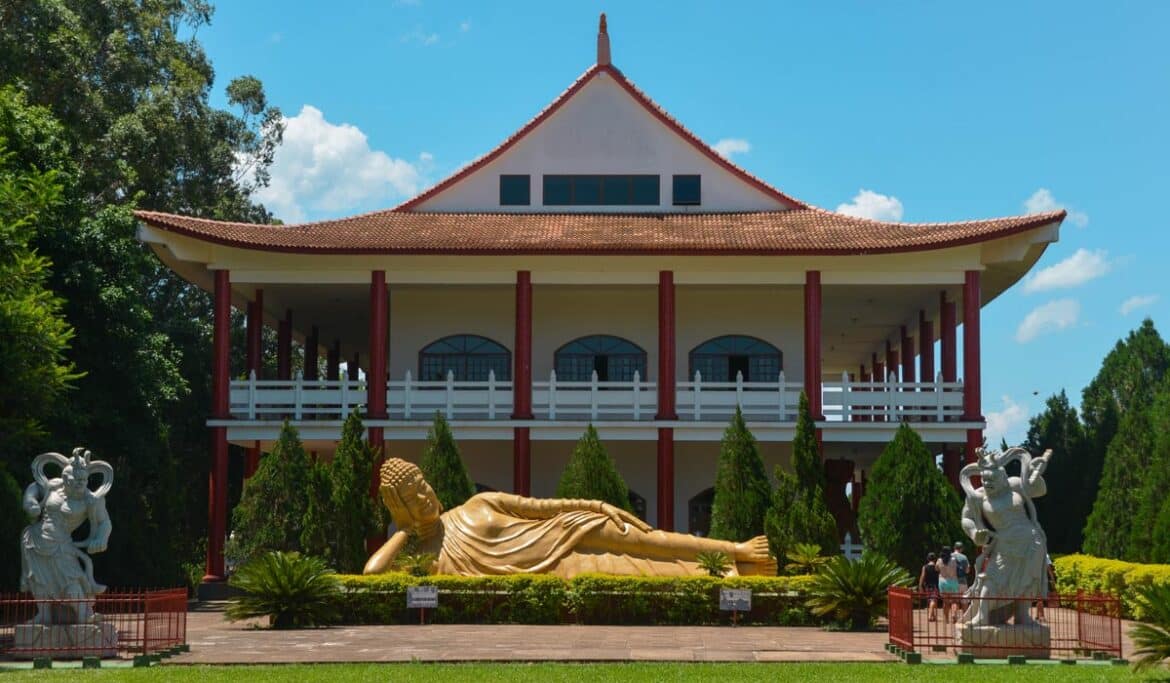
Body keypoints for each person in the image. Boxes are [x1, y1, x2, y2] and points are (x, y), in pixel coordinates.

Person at [364, 458, 778, 578]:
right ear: (398, 505)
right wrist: (402, 529)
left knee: (648, 539)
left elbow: (544, 506)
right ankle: (727, 572)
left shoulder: (478, 503)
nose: (425, 496)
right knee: (638, 571)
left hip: (565, 528)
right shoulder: (422, 556)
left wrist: (597, 507)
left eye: (422, 484)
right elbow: (371, 574)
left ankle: (735, 549)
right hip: (557, 565)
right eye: (411, 497)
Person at [959, 447, 1053, 627]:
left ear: (1002, 477)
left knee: (1027, 580)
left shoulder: (1015, 484)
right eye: (984, 480)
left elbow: (1040, 490)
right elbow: (966, 518)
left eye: (992, 479)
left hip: (1031, 540)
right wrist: (973, 533)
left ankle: (1022, 615)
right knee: (992, 578)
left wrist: (1034, 473)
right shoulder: (978, 497)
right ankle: (982, 615)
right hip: (1004, 543)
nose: (987, 483)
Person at [21, 448, 114, 625]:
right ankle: (44, 614)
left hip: (62, 545)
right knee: (39, 579)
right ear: (65, 479)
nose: (81, 483)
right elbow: (34, 488)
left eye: (84, 479)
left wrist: (101, 538)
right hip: (34, 540)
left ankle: (83, 614)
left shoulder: (91, 500)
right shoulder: (54, 486)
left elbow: (105, 522)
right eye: (76, 480)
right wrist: (30, 502)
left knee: (71, 579)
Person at [936, 546, 961, 623]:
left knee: (945, 601)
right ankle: (954, 615)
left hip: (943, 581)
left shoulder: (939, 560)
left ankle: (946, 619)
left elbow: (936, 569)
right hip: (953, 581)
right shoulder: (953, 560)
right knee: (955, 601)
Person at [917, 552, 940, 622]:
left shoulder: (925, 567)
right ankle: (930, 616)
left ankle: (933, 616)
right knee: (933, 600)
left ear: (928, 558)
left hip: (927, 586)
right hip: (935, 585)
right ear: (935, 559)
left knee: (931, 600)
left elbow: (922, 576)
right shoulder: (937, 567)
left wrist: (920, 585)